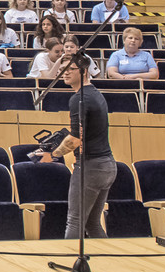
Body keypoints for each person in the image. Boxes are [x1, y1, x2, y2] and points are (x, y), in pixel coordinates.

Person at [40, 53, 113, 244]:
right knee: (92, 224)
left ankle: (70, 258)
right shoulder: (95, 93)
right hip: (107, 166)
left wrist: (52, 155)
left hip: (91, 167)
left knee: (75, 221)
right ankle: (110, 256)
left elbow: (75, 139)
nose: (64, 73)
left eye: (69, 69)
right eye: (62, 69)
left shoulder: (79, 99)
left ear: (84, 71)